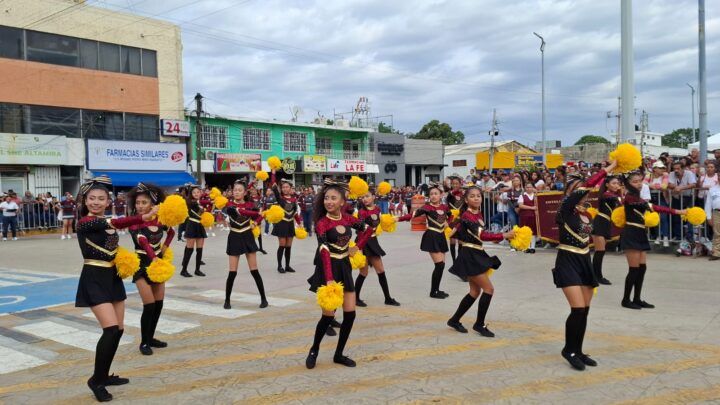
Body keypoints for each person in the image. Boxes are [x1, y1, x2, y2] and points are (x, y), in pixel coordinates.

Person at [74, 176, 157, 401]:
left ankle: (104, 375)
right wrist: (142, 216)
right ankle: (96, 380)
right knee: (109, 329)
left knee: (118, 330)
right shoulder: (84, 222)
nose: (96, 202)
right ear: (85, 200)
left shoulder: (108, 221)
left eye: (102, 199)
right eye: (92, 198)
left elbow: (118, 232)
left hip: (113, 277)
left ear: (109, 201)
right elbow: (115, 223)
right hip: (93, 278)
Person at [552, 160, 616, 371]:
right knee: (577, 309)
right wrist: (607, 169)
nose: (583, 191)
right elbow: (585, 187)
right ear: (569, 192)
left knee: (585, 310)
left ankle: (578, 350)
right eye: (576, 188)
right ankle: (568, 350)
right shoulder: (564, 210)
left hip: (584, 260)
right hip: (567, 261)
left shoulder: (586, 213)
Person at [305, 179, 373, 369]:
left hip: (344, 267)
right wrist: (328, 281)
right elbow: (324, 251)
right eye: (327, 198)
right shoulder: (322, 224)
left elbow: (368, 229)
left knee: (350, 315)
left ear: (343, 202)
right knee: (327, 317)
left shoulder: (348, 218)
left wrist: (357, 247)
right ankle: (314, 349)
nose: (329, 201)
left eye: (334, 198)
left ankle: (339, 354)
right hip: (328, 269)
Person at [446, 185, 515, 337]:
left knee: (475, 291)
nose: (476, 198)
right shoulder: (467, 216)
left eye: (478, 195)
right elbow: (482, 235)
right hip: (470, 255)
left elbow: (478, 235)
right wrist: (503, 236)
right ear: (466, 199)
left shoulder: (477, 214)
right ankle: (479, 324)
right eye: (472, 196)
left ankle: (454, 319)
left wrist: (496, 238)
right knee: (488, 289)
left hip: (476, 252)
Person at [620, 171, 686, 310]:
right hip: (631, 233)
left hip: (640, 232)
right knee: (634, 269)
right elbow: (653, 207)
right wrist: (677, 212)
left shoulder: (637, 195)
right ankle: (626, 300)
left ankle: (637, 298)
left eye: (640, 181)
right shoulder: (630, 197)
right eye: (635, 181)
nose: (639, 184)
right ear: (628, 183)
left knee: (642, 268)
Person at [127, 183, 174, 356]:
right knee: (149, 305)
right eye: (138, 202)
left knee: (158, 305)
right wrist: (154, 258)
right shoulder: (135, 223)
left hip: (158, 266)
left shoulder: (160, 221)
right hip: (142, 266)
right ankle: (144, 342)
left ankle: (151, 337)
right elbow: (142, 241)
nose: (139, 206)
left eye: (144, 202)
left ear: (153, 205)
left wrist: (164, 249)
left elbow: (171, 232)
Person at [398, 182, 452, 298]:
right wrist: (397, 219)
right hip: (431, 236)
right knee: (439, 265)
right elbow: (412, 215)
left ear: (441, 195)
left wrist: (449, 223)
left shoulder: (444, 207)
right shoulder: (427, 207)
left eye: (436, 194)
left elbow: (451, 215)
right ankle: (433, 292)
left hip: (441, 236)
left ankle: (437, 289)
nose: (433, 196)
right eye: (431, 194)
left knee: (441, 265)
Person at [223, 180, 268, 310]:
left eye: (239, 190)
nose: (237, 192)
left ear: (244, 192)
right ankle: (227, 300)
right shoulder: (229, 205)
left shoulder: (250, 204)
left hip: (247, 236)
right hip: (234, 236)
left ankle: (264, 299)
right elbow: (244, 212)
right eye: (235, 190)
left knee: (254, 270)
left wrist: (256, 222)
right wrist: (256, 213)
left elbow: (261, 215)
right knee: (232, 272)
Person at [353, 190, 400, 307]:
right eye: (363, 197)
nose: (365, 199)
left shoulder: (377, 210)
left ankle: (388, 298)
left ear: (373, 197)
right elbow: (360, 230)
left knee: (381, 271)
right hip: (363, 242)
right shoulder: (362, 212)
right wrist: (359, 247)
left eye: (367, 196)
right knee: (363, 272)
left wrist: (393, 220)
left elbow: (381, 224)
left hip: (373, 241)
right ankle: (355, 298)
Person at [591, 175, 623, 285]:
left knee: (600, 251)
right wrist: (621, 194)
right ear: (607, 185)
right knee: (600, 251)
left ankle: (594, 275)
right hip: (599, 222)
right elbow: (618, 200)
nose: (616, 185)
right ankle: (597, 276)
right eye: (614, 183)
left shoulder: (613, 195)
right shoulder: (605, 194)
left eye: (618, 183)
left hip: (606, 223)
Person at [270, 171, 302, 273]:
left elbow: (294, 213)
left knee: (289, 247)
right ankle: (279, 266)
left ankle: (287, 266)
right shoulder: (280, 198)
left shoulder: (294, 199)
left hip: (290, 224)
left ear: (290, 188)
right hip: (282, 224)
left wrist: (299, 222)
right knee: (282, 245)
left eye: (287, 187)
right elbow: (274, 187)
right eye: (283, 187)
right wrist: (273, 173)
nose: (285, 189)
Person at [179, 185, 208, 278]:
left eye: (198, 192)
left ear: (200, 193)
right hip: (191, 225)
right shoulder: (190, 202)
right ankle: (183, 270)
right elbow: (196, 209)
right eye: (194, 192)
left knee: (200, 250)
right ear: (191, 194)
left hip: (200, 226)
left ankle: (197, 270)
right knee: (189, 249)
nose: (196, 194)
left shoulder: (199, 202)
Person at [668, 161, 696, 242]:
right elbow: (669, 184)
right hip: (676, 197)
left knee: (689, 216)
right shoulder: (672, 174)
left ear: (683, 168)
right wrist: (676, 186)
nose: (676, 170)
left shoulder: (689, 173)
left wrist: (681, 188)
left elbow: (693, 184)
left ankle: (690, 236)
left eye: (678, 168)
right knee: (676, 216)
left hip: (688, 197)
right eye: (674, 169)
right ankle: (678, 236)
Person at [645, 161, 670, 246]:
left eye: (663, 168)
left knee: (663, 217)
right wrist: (655, 186)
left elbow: (664, 186)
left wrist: (651, 185)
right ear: (655, 169)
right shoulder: (649, 175)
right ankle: (658, 236)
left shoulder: (665, 175)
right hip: (651, 198)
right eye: (660, 168)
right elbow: (644, 184)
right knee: (655, 218)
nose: (662, 169)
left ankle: (665, 237)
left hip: (661, 198)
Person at [444, 175, 465, 266]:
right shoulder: (449, 194)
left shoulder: (464, 195)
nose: (455, 185)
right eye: (453, 184)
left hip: (461, 219)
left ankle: (459, 262)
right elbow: (447, 204)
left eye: (457, 184)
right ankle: (454, 261)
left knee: (460, 241)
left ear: (460, 184)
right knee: (452, 241)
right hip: (452, 219)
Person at [518, 182, 538, 253]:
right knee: (525, 232)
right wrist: (532, 208)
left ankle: (533, 247)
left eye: (530, 187)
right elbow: (521, 205)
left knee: (533, 232)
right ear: (525, 188)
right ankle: (527, 247)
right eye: (527, 187)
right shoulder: (522, 196)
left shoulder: (536, 196)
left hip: (533, 216)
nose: (529, 189)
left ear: (533, 188)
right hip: (524, 216)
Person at [704, 175, 720, 261]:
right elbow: (708, 204)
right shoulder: (712, 189)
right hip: (716, 212)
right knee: (717, 233)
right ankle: (716, 253)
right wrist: (709, 217)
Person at [248, 186, 267, 255]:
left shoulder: (260, 198)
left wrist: (262, 209)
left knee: (259, 233)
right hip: (250, 217)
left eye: (254, 190)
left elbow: (263, 206)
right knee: (251, 233)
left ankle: (260, 248)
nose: (253, 191)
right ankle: (252, 247)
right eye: (252, 190)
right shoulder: (249, 198)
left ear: (257, 191)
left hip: (258, 217)